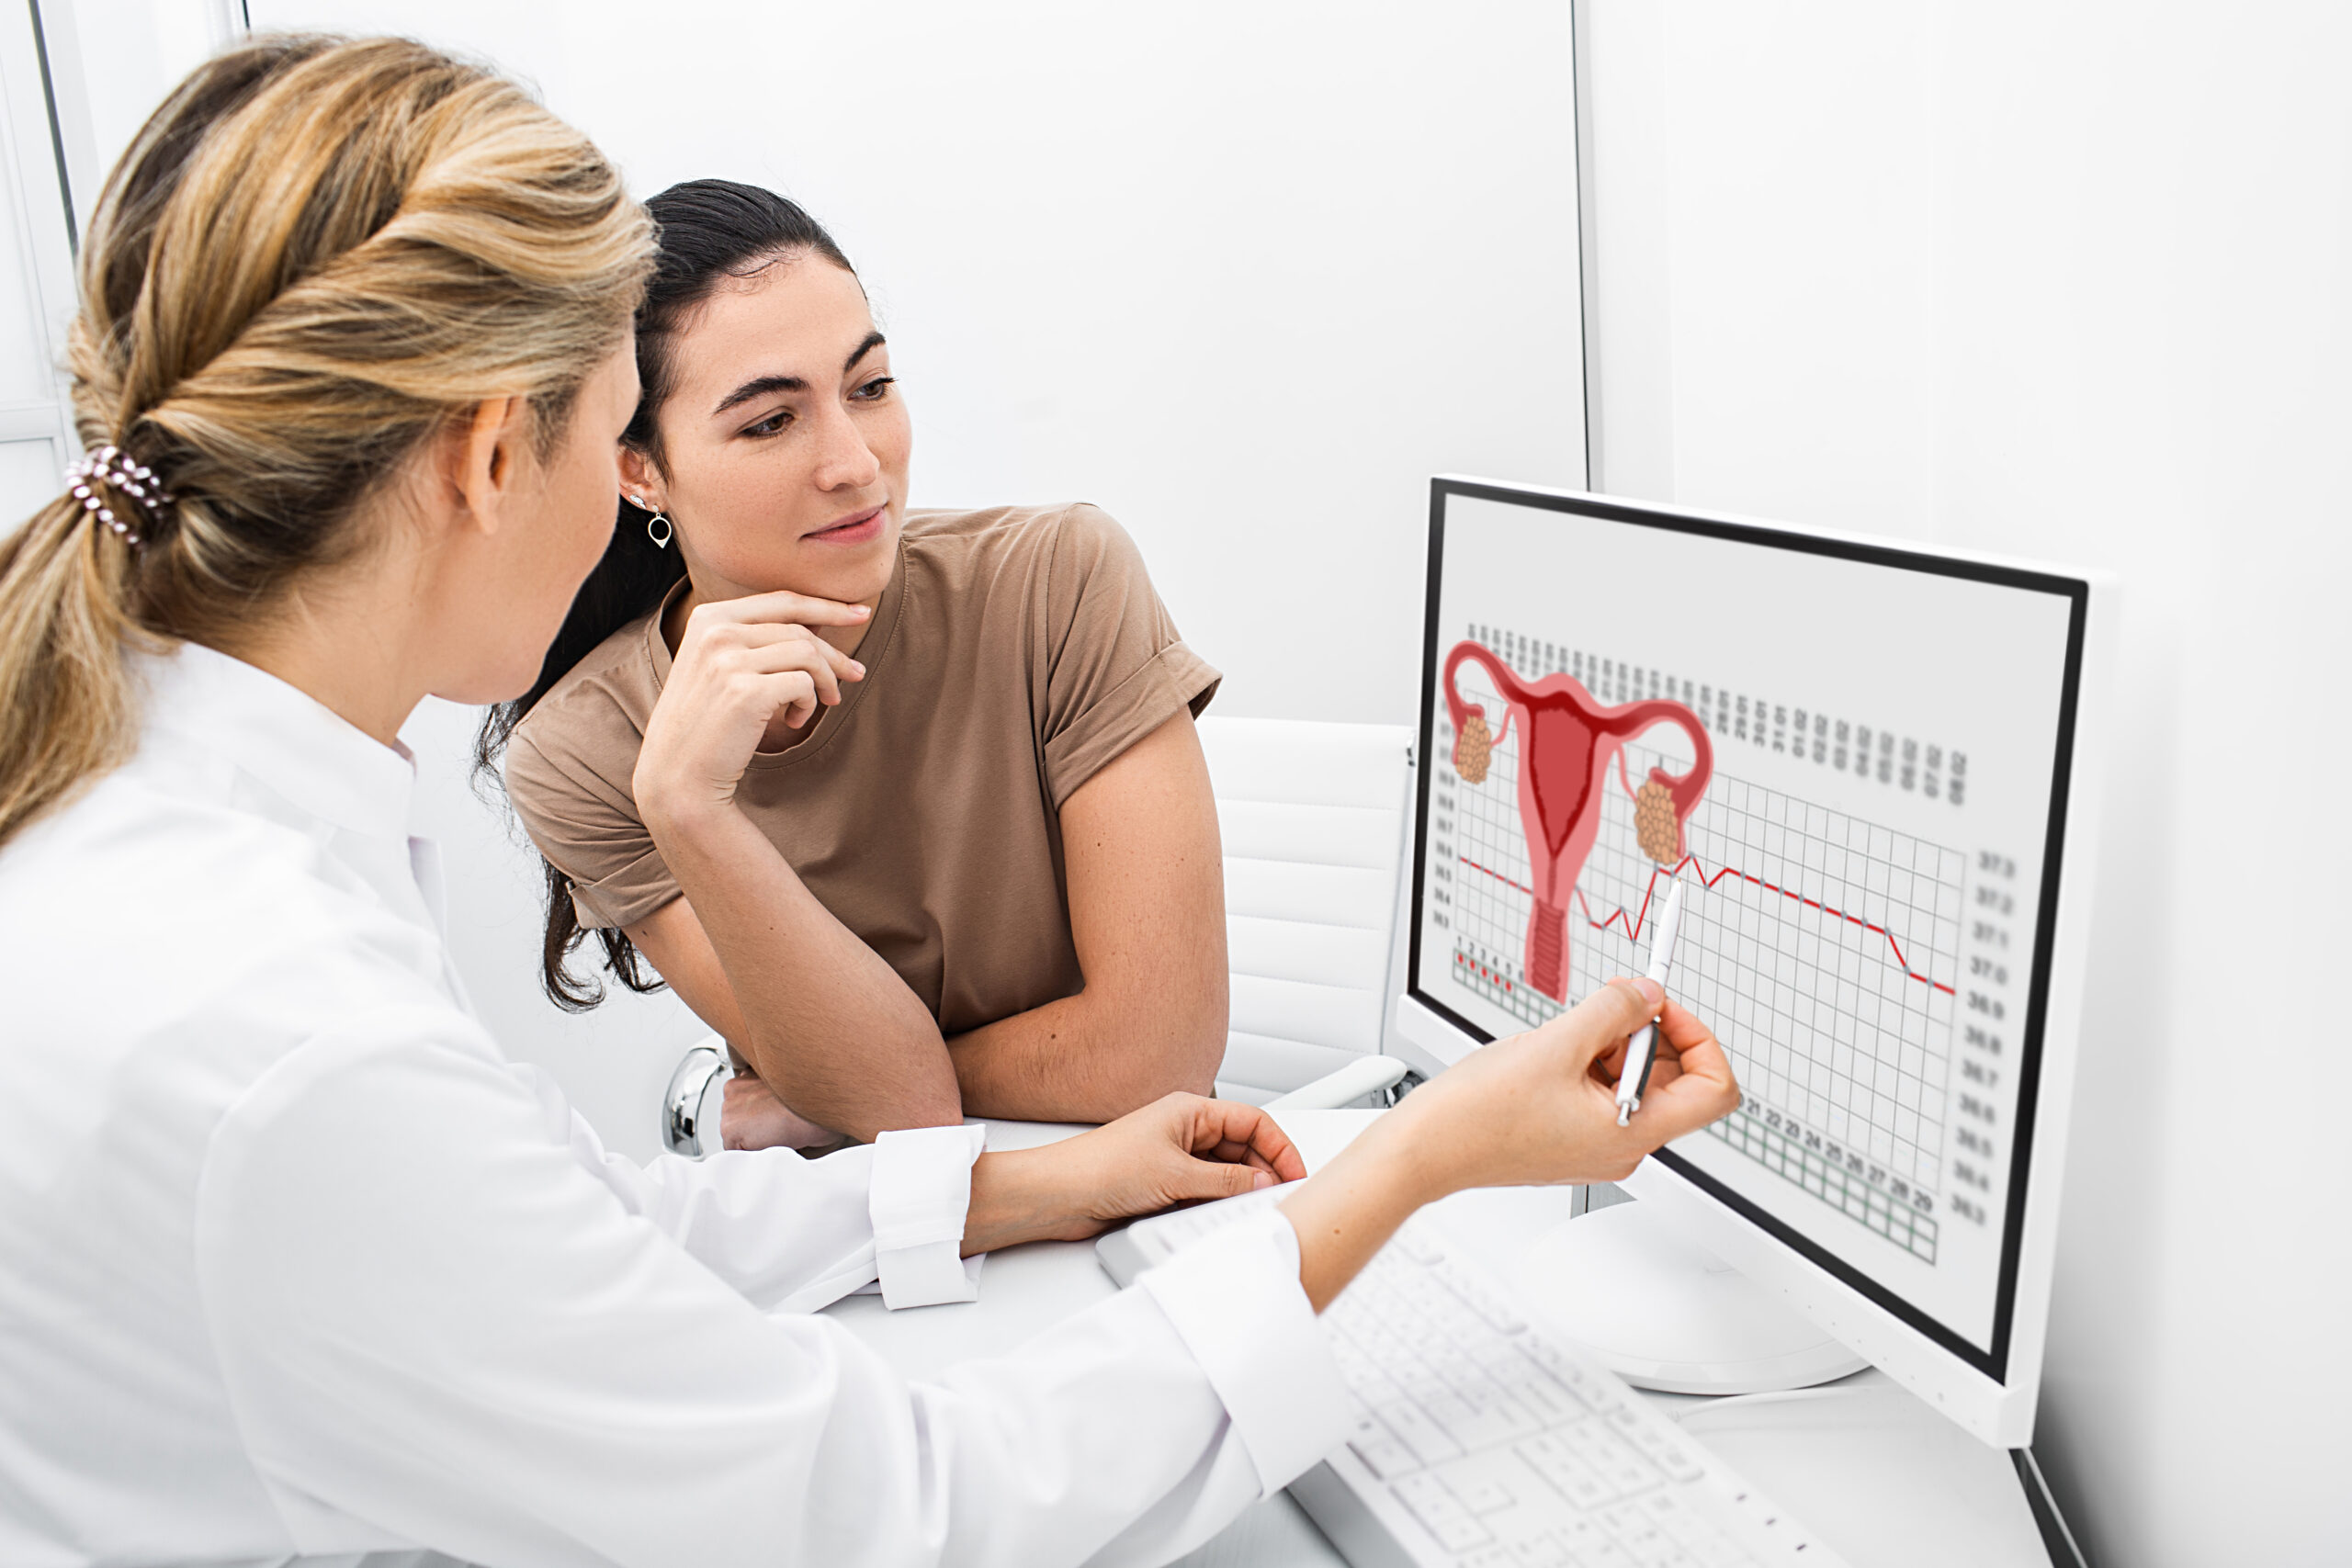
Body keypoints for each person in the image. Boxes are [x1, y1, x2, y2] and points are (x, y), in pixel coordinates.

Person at [0, 36, 1739, 1567]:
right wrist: (1424, 1158)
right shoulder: (290, 1036)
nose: (850, 459)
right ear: (497, 458)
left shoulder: (165, 839)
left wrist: (1011, 1188)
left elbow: (596, 1227)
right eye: (668, 419)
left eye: (874, 382)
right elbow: (911, 1506)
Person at [485, 180, 1227, 1150]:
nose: (854, 462)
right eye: (769, 422)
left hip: (1129, 1186)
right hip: (866, 1245)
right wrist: (687, 806)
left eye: (869, 388)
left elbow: (1154, 1059)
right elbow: (891, 1109)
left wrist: (817, 1099)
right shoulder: (585, 752)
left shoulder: (1057, 581)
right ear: (639, 469)